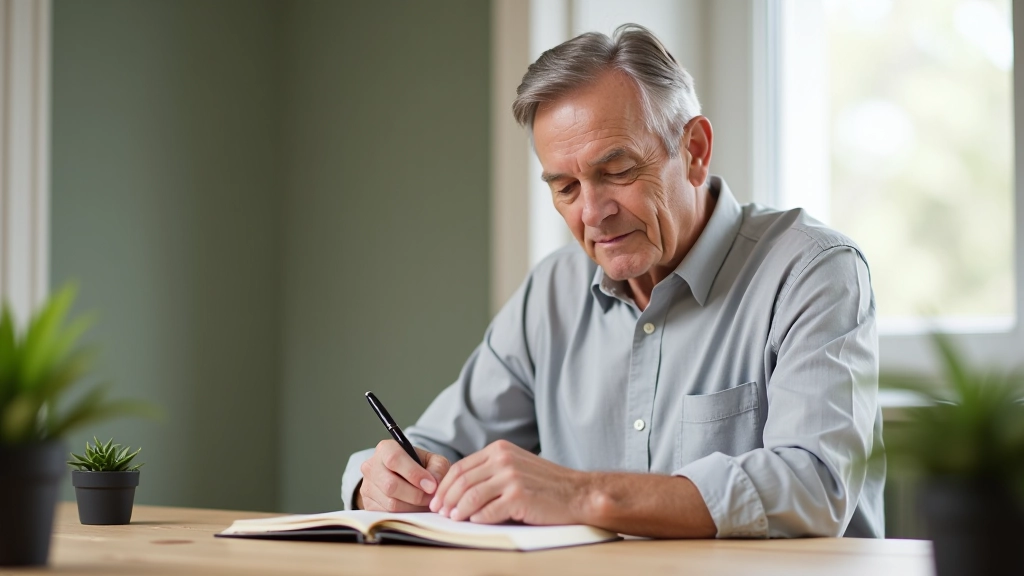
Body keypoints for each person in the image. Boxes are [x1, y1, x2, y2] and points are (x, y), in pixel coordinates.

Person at [341, 23, 884, 539]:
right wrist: (380, 485)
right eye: (566, 188)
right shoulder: (552, 292)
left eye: (617, 172)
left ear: (694, 150)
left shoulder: (814, 270)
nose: (594, 212)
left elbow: (815, 484)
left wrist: (582, 496)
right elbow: (438, 448)